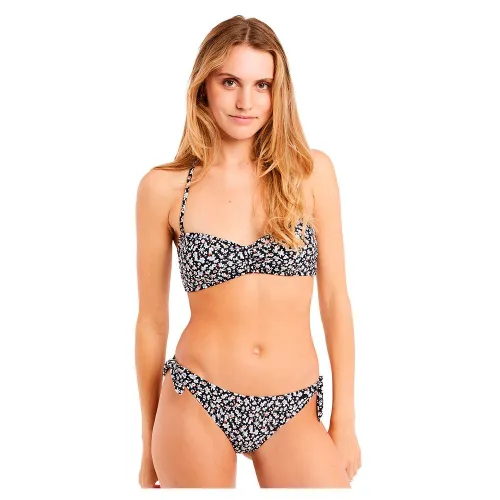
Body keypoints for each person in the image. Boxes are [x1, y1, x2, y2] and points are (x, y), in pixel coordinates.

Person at [135, 15, 361, 488]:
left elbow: (335, 301)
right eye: (229, 82)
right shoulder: (164, 188)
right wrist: (147, 440)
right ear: (204, 86)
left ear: (279, 92)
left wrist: (344, 422)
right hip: (197, 395)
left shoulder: (310, 174)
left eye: (262, 85)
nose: (245, 102)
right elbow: (152, 321)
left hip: (293, 404)